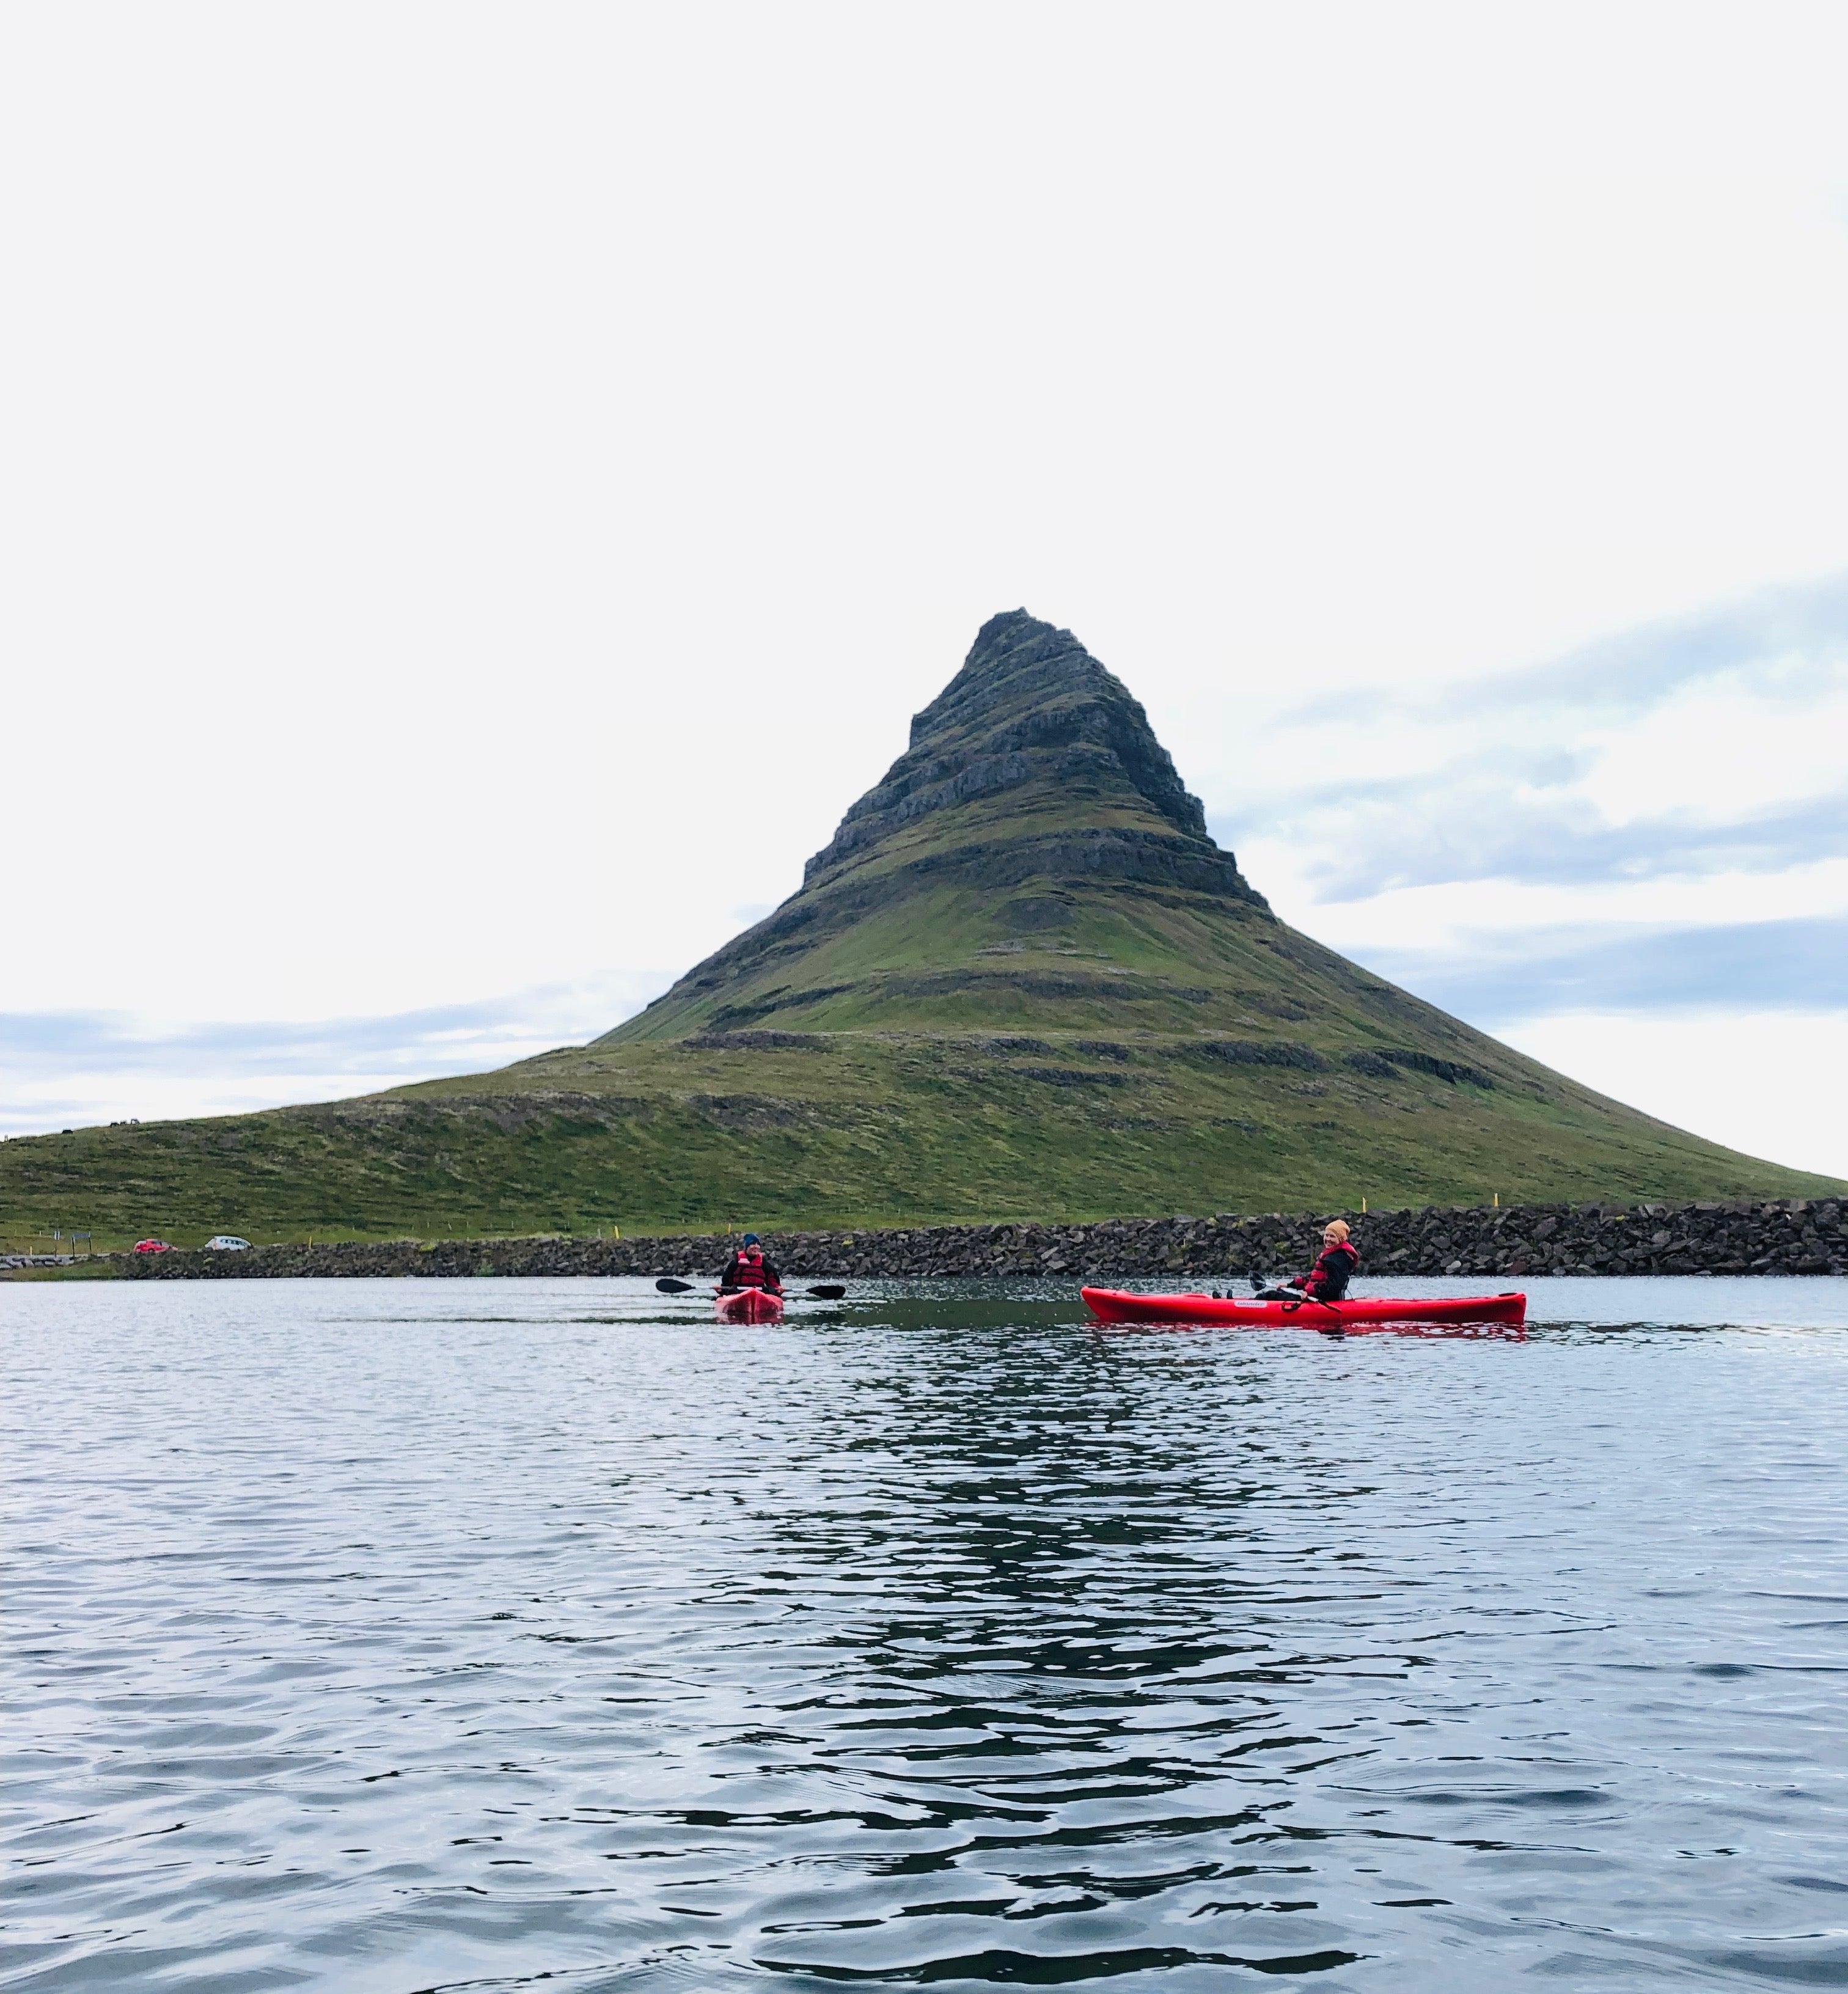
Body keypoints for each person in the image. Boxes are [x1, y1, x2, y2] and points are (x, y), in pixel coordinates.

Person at [1254, 1220, 1358, 1302]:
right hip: (1318, 1298)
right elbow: (1313, 1278)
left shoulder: (1337, 1259)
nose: (1328, 1239)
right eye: (1326, 1235)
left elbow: (1333, 1287)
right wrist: (1289, 1285)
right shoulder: (1332, 1256)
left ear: (1340, 1239)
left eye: (1332, 1236)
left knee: (1268, 1296)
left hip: (1321, 1301)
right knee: (1270, 1295)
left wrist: (1310, 1292)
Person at [717, 1233, 782, 1296]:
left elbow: (771, 1278)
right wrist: (722, 1289)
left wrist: (777, 1287)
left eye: (758, 1244)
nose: (756, 1246)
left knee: (769, 1290)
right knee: (731, 1290)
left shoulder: (763, 1263)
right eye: (753, 1244)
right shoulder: (736, 1262)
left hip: (759, 1293)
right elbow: (727, 1279)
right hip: (738, 1292)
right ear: (747, 1246)